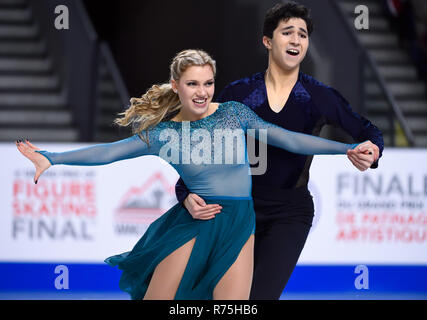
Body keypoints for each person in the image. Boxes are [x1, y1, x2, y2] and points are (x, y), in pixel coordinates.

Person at [16, 49, 362, 300]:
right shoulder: (164, 135)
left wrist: (343, 149)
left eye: (208, 83)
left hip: (239, 223)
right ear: (176, 85)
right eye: (193, 84)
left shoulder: (234, 114)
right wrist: (53, 158)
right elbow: (108, 153)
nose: (202, 92)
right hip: (193, 225)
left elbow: (286, 138)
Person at [175, 2, 385, 300]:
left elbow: (368, 130)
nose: (296, 40)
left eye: (302, 34)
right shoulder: (238, 94)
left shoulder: (319, 96)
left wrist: (371, 149)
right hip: (237, 209)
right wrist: (185, 193)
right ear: (268, 41)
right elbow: (201, 150)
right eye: (288, 32)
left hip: (290, 212)